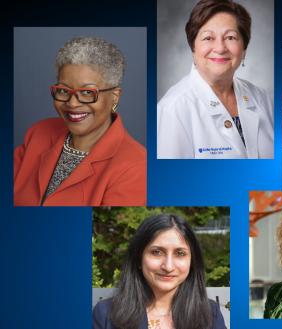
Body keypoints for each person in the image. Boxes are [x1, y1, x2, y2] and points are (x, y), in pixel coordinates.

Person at [14, 37, 146, 206]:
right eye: (63, 90)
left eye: (87, 93)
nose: (72, 103)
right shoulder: (39, 133)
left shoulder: (136, 167)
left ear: (114, 97)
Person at [157, 0, 273, 159]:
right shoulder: (173, 108)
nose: (220, 48)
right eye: (208, 38)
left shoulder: (262, 98)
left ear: (244, 49)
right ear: (193, 47)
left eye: (230, 37)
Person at [93, 213, 226, 329]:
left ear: (192, 261)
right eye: (156, 252)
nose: (168, 267)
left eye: (180, 253)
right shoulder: (106, 314)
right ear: (139, 258)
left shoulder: (209, 314)